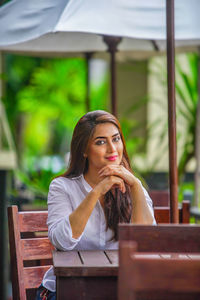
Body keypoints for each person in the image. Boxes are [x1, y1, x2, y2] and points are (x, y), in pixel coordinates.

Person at [36, 110, 156, 300]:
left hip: (118, 289)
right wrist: (97, 191)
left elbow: (145, 243)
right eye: (100, 142)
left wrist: (136, 187)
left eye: (116, 139)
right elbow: (63, 242)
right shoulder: (62, 187)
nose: (112, 149)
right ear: (84, 149)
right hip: (67, 289)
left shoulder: (133, 186)